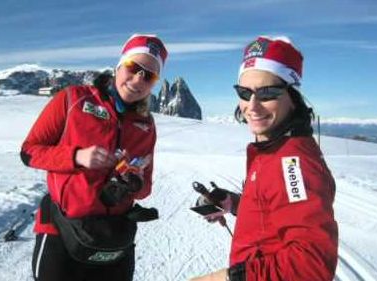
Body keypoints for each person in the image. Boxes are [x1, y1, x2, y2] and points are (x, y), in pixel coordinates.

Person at [20, 34, 168, 281]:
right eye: (134, 68)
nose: (138, 79)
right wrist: (77, 157)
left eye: (149, 75)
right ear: (119, 66)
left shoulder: (146, 125)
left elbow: (145, 189)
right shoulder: (72, 99)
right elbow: (29, 152)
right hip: (62, 229)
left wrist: (135, 183)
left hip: (112, 238)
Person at [189, 36, 338, 281]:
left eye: (267, 93)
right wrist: (233, 203)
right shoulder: (272, 147)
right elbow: (274, 208)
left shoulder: (292, 162)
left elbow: (312, 265)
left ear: (292, 97)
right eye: (245, 92)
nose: (253, 106)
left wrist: (226, 278)